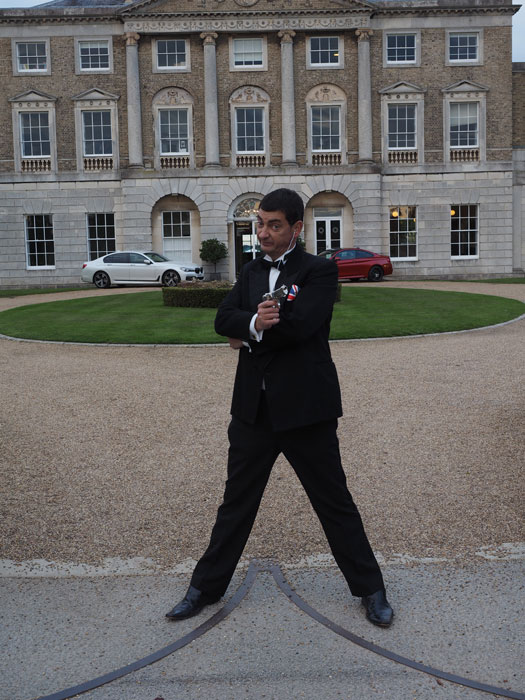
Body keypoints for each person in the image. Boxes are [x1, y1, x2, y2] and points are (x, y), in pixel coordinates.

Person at [166, 188, 393, 627]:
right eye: (260, 223)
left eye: (274, 225)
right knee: (235, 504)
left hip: (307, 409)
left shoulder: (319, 271)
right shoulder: (250, 271)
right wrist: (253, 322)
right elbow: (222, 319)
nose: (264, 232)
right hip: (253, 410)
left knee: (334, 502)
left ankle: (371, 589)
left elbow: (300, 326)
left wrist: (245, 335)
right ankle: (204, 589)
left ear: (296, 228)